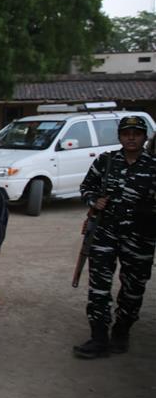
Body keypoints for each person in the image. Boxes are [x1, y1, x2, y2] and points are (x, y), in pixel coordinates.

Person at [73, 115, 156, 359]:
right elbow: (85, 187)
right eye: (126, 133)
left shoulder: (152, 166)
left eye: (137, 133)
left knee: (133, 289)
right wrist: (93, 200)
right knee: (99, 288)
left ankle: (121, 332)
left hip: (140, 238)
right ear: (119, 136)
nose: (131, 138)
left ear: (144, 136)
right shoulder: (106, 161)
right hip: (105, 235)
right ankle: (98, 338)